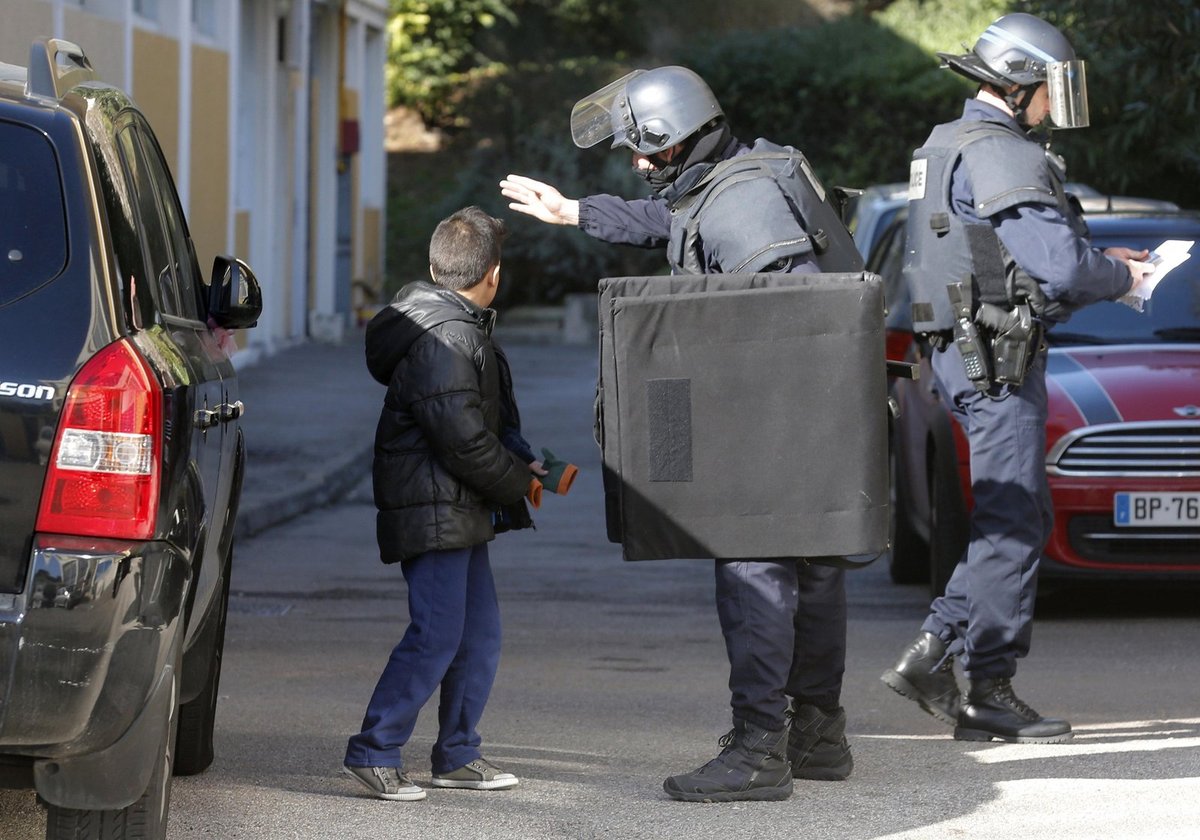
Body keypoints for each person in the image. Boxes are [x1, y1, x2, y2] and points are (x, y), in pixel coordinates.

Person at [500, 65, 864, 802]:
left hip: (776, 420)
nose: (637, 163)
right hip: (820, 418)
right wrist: (576, 212)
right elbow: (677, 223)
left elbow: (785, 309)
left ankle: (761, 745)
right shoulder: (746, 173)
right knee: (817, 570)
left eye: (645, 151)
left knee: (754, 575)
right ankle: (818, 735)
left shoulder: (743, 208)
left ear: (683, 138)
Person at [880, 13, 1154, 744]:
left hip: (965, 354)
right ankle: (981, 684)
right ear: (1020, 82)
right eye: (1047, 90)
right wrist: (1120, 274)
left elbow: (995, 254)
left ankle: (942, 659)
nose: (1050, 107)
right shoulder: (1002, 152)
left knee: (1016, 517)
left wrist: (1086, 265)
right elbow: (1059, 265)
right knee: (1012, 523)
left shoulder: (948, 144)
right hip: (997, 361)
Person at [342, 206, 542, 800]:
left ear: (435, 267)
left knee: (478, 636)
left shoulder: (456, 325)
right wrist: (515, 481)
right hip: (434, 507)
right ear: (493, 275)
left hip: (458, 506)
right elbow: (461, 438)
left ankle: (457, 753)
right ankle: (374, 749)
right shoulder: (446, 337)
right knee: (436, 634)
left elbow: (482, 420)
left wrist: (524, 459)